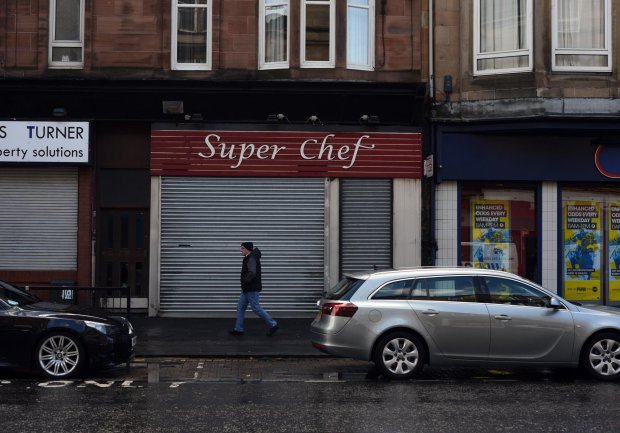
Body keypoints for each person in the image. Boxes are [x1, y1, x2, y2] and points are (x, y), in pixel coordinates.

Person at [229, 242, 279, 336]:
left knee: (256, 308)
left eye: (242, 248)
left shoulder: (251, 258)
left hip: (251, 288)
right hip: (246, 289)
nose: (241, 250)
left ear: (247, 249)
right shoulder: (248, 257)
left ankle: (273, 324)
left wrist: (245, 281)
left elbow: (252, 273)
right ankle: (239, 329)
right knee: (240, 308)